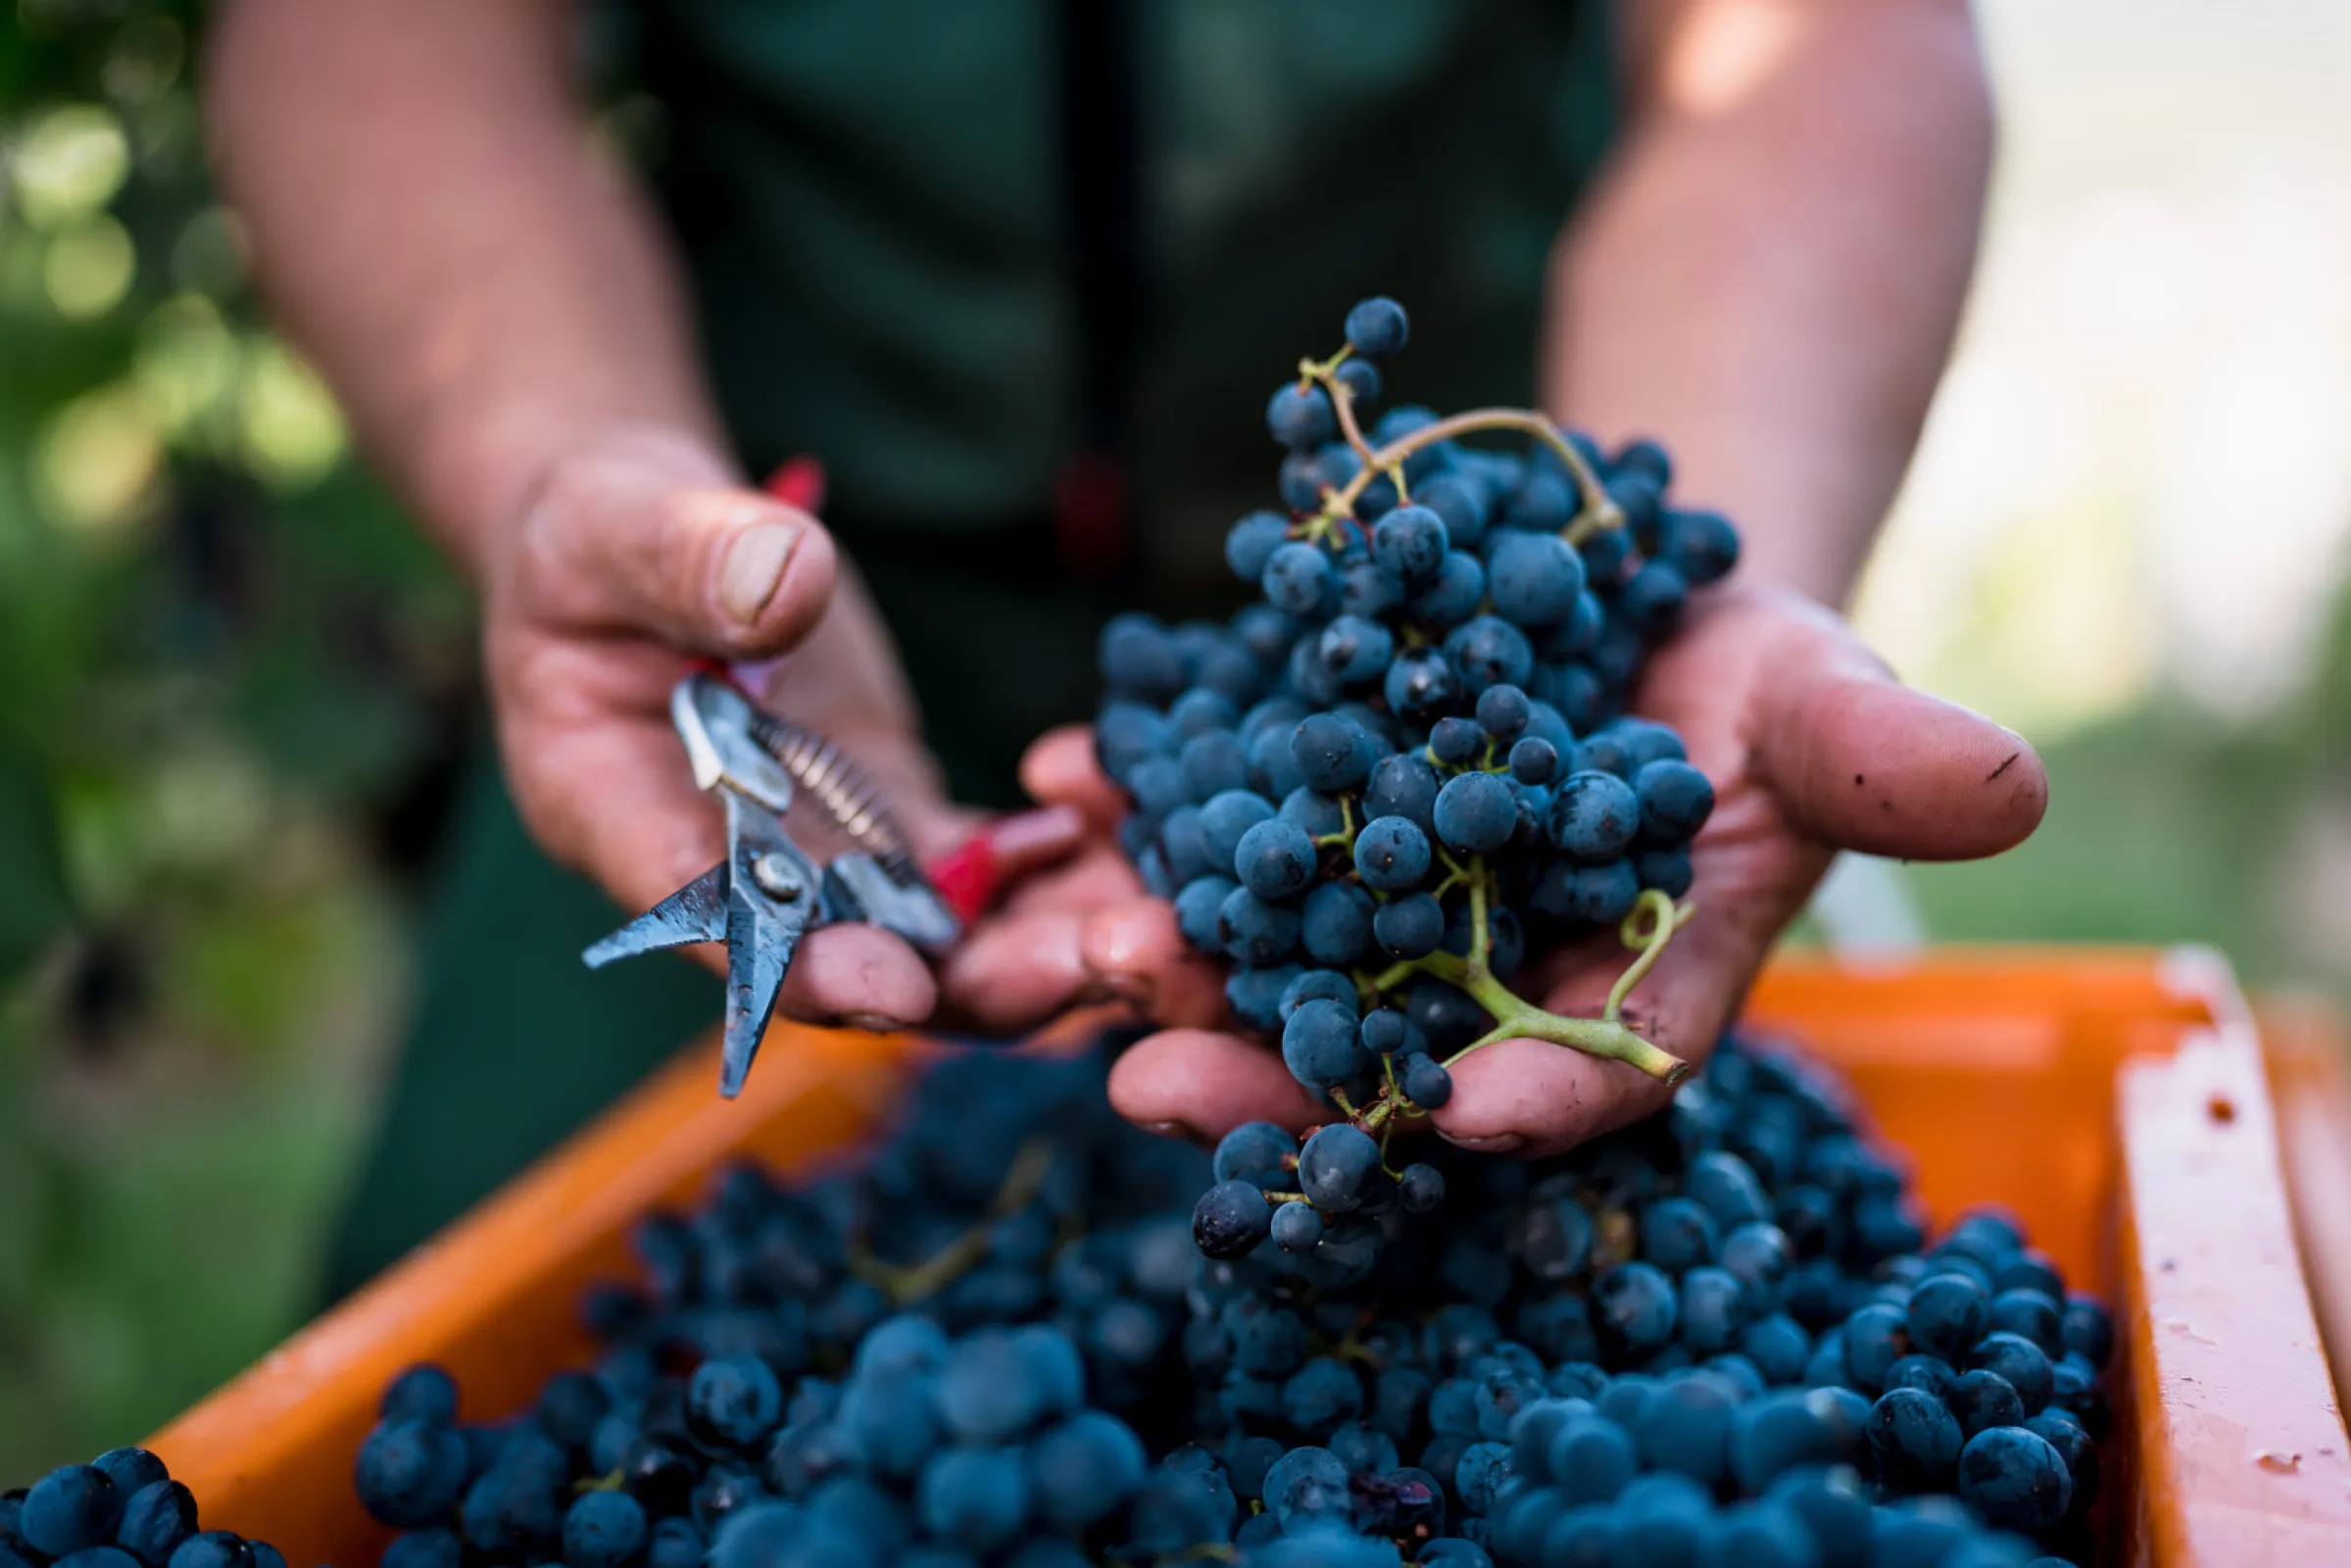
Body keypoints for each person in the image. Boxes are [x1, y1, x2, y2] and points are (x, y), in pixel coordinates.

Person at [204, 0, 2046, 1298]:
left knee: (1621, 1213)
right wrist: (563, 459)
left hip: (1487, 559)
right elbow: (373, 33)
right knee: (528, 1285)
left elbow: (1815, 38)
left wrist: (1663, 573)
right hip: (765, 647)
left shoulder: (1455, 663)